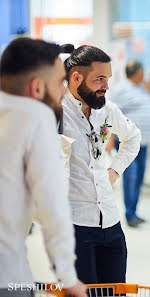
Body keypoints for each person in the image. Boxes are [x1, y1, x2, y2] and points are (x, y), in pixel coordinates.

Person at [0, 38, 86, 297]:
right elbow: (52, 203)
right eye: (60, 82)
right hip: (8, 277)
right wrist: (67, 278)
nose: (64, 91)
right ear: (37, 87)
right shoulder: (34, 116)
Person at [61, 45, 141, 283]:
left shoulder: (106, 109)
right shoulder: (56, 113)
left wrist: (115, 170)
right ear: (76, 78)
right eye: (99, 79)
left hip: (111, 224)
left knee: (115, 290)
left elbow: (133, 136)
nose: (106, 86)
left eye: (108, 78)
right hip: (75, 226)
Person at [107, 60, 150, 227]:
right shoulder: (120, 89)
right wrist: (110, 138)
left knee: (140, 176)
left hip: (144, 142)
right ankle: (130, 214)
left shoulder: (142, 89)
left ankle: (134, 210)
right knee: (131, 176)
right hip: (127, 142)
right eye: (142, 70)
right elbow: (111, 115)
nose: (144, 74)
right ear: (136, 72)